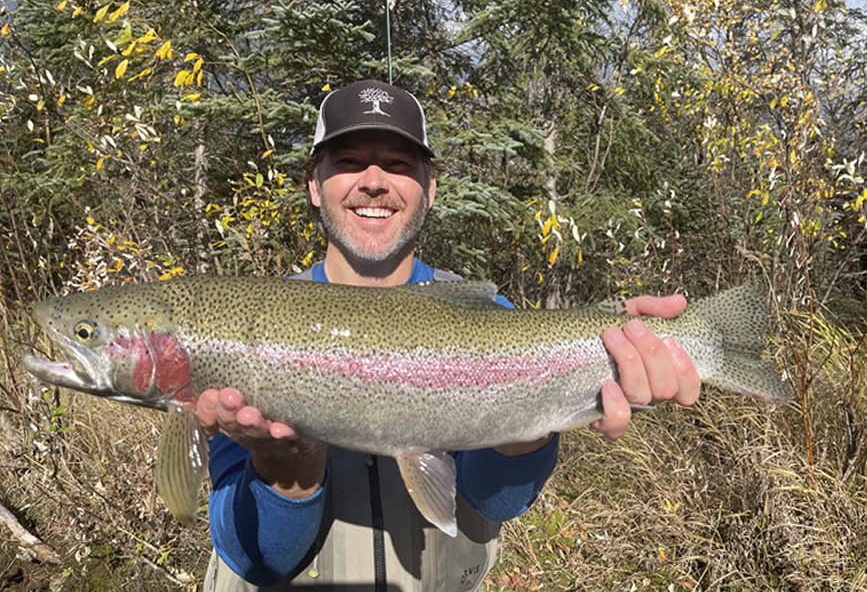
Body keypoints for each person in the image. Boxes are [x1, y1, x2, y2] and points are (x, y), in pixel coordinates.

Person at [196, 80, 701, 591]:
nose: (374, 181)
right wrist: (286, 469)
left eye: (398, 164)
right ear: (312, 184)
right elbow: (257, 559)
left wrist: (541, 414)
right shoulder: (251, 327)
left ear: (430, 188)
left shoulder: (492, 320)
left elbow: (496, 503)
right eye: (349, 160)